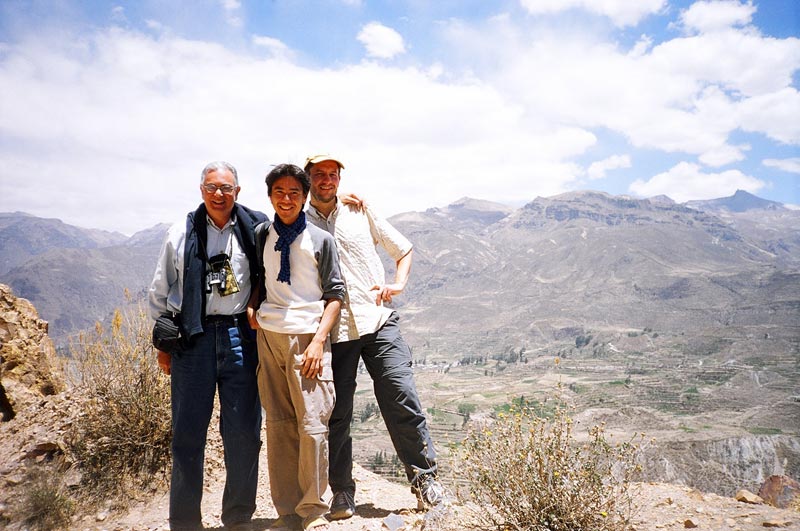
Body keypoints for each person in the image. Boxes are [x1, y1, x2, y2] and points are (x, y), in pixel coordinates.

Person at [304, 154, 445, 520]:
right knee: (338, 414)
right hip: (336, 332)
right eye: (318, 174)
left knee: (402, 399)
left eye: (332, 174)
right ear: (308, 179)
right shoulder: (298, 224)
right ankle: (342, 493)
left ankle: (425, 480)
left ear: (339, 179)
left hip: (379, 321)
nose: (326, 180)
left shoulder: (359, 211)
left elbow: (404, 249)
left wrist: (397, 284)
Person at [148, 161, 265, 531]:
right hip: (192, 339)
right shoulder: (180, 234)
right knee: (187, 434)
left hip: (239, 338)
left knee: (244, 432)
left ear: (237, 192)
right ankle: (184, 522)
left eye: (226, 188)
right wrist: (165, 342)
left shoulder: (254, 229)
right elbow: (160, 291)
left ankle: (238, 517)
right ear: (201, 190)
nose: (219, 194)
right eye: (212, 187)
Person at [249, 163, 345, 531]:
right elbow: (261, 277)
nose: (286, 200)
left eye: (294, 193)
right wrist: (254, 304)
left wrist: (320, 342)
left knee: (312, 424)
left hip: (308, 338)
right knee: (279, 424)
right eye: (279, 193)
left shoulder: (321, 239)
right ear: (270, 196)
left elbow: (335, 295)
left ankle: (314, 509)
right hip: (269, 338)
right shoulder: (262, 234)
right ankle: (287, 511)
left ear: (305, 198)